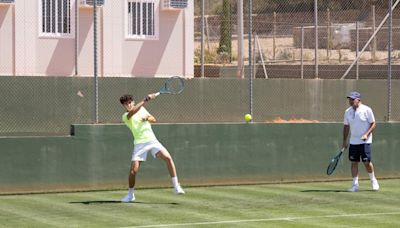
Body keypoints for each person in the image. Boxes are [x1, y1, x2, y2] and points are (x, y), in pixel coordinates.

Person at [119, 94, 185, 202]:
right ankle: (130, 195)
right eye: (126, 104)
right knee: (133, 171)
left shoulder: (142, 109)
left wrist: (147, 118)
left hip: (152, 141)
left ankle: (176, 186)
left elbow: (154, 119)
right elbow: (133, 112)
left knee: (168, 158)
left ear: (133, 102)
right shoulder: (125, 116)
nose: (128, 105)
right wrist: (146, 99)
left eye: (130, 102)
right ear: (124, 106)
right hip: (139, 144)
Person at [342, 91, 379, 192]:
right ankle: (355, 185)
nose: (350, 101)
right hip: (353, 141)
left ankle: (373, 180)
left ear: (359, 100)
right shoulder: (347, 112)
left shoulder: (367, 110)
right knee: (354, 162)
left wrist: (366, 134)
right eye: (349, 99)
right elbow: (346, 126)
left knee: (367, 162)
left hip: (365, 141)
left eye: (352, 99)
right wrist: (345, 141)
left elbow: (373, 123)